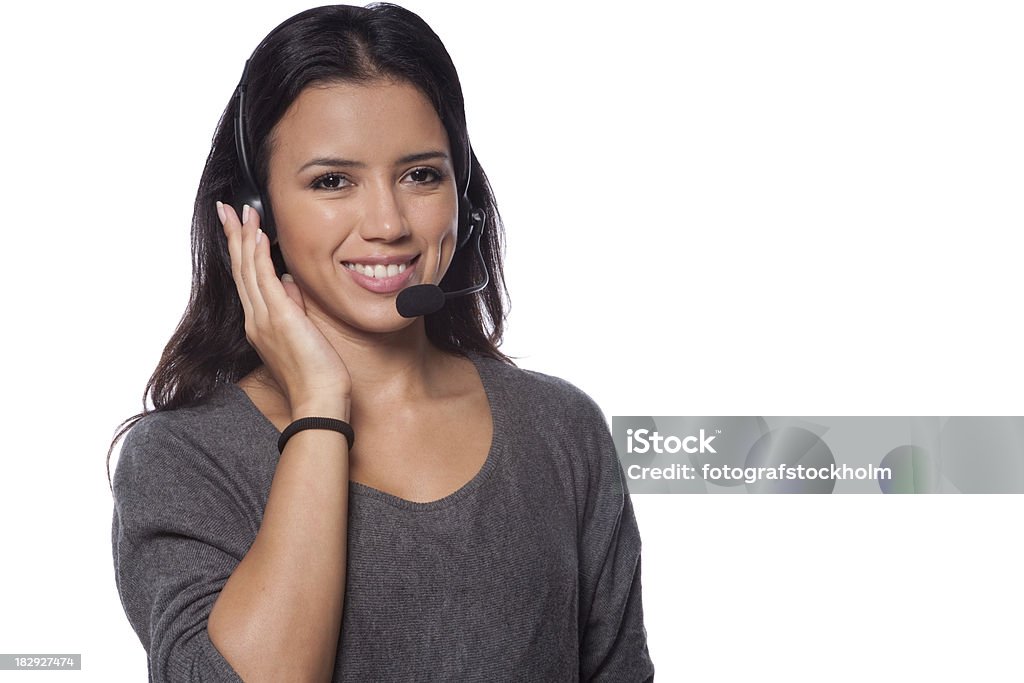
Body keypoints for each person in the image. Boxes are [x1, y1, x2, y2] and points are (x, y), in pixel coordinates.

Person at [109, 3, 654, 681]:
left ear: (464, 191)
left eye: (421, 175)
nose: (388, 223)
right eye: (332, 181)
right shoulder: (184, 458)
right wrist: (319, 404)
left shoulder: (561, 429)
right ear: (256, 212)